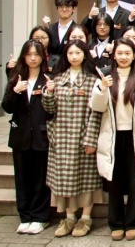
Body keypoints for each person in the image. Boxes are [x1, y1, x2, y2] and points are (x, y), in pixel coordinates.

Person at [89, 39, 135, 241]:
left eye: (128, 53)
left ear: (134, 55)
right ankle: (116, 223)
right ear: (114, 55)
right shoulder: (105, 75)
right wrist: (102, 88)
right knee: (114, 181)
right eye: (120, 53)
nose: (124, 57)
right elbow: (96, 107)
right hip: (112, 135)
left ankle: (134, 222)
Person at [42, 40, 102, 238]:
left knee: (86, 179)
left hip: (83, 136)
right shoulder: (58, 79)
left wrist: (91, 139)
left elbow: (96, 113)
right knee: (65, 179)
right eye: (70, 53)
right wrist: (49, 93)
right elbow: (49, 109)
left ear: (85, 55)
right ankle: (69, 218)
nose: (74, 57)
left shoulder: (93, 80)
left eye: (78, 53)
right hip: (61, 137)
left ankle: (85, 218)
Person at [2, 39, 52, 235]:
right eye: (29, 54)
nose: (33, 58)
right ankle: (25, 216)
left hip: (41, 135)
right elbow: (7, 106)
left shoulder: (47, 78)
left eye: (36, 54)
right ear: (24, 56)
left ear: (42, 57)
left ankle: (40, 217)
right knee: (22, 178)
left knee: (40, 178)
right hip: (20, 135)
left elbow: (52, 110)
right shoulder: (16, 77)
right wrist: (15, 91)